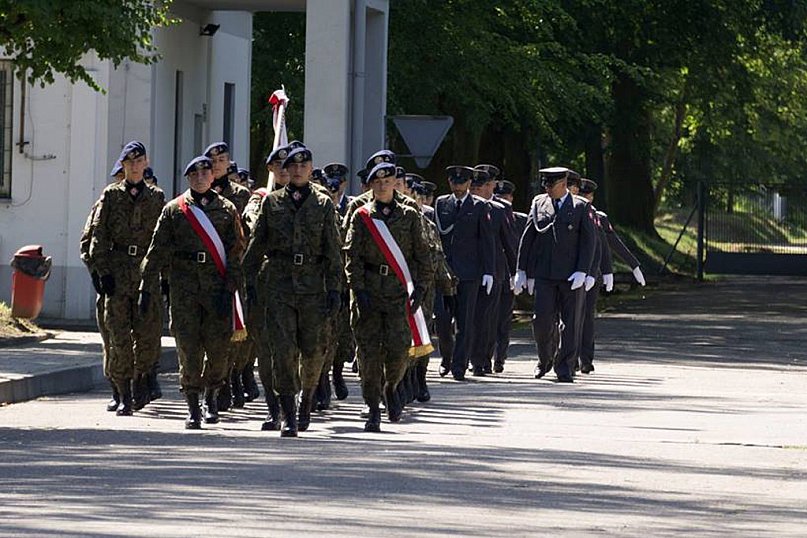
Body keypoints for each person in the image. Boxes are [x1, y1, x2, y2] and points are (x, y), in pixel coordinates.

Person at [242, 145, 343, 437]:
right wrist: (248, 282)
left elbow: (334, 251)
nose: (298, 170)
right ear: (286, 170)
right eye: (292, 166)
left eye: (304, 165)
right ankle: (288, 414)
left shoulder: (324, 205)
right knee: (283, 352)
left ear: (311, 169)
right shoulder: (272, 203)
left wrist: (335, 289)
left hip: (313, 286)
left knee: (312, 352)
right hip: (279, 285)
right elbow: (256, 245)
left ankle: (307, 399)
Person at [139, 155, 245, 428]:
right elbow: (157, 249)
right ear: (188, 178)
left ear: (213, 177)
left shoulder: (227, 209)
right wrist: (146, 288)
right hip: (184, 288)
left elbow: (236, 251)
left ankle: (212, 395)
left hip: (216, 288)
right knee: (188, 348)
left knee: (219, 349)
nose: (200, 178)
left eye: (205, 173)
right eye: (194, 174)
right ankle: (193, 406)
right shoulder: (174, 210)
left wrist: (231, 287)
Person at [344, 162, 434, 431]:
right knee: (369, 355)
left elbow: (422, 254)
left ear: (395, 183)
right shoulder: (362, 217)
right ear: (371, 185)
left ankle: (391, 386)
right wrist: (358, 289)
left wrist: (420, 288)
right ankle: (373, 407)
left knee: (397, 352)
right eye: (377, 181)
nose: (382, 185)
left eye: (387, 181)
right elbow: (353, 256)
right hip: (369, 293)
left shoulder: (409, 215)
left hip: (397, 294)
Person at [89, 141, 165, 415]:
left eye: (139, 161)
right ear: (123, 165)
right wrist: (103, 271)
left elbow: (163, 240)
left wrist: (162, 276)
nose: (134, 166)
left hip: (146, 275)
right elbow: (98, 236)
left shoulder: (157, 197)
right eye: (129, 162)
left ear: (145, 164)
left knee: (147, 337)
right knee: (119, 336)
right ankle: (123, 394)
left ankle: (142, 382)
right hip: (118, 272)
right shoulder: (111, 196)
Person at [515, 167, 597, 382]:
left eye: (551, 185)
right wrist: (521, 270)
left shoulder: (581, 206)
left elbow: (590, 242)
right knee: (541, 321)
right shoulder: (538, 204)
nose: (547, 189)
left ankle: (565, 366)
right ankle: (544, 359)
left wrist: (583, 270)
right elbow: (528, 238)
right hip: (545, 274)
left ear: (563, 184)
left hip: (571, 275)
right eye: (545, 185)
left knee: (571, 324)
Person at [204, 143, 255, 410]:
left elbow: (249, 233)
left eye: (222, 159)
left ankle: (231, 376)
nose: (217, 164)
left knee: (235, 332)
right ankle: (214, 386)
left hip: (234, 271)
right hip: (203, 274)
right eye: (213, 160)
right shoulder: (198, 193)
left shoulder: (241, 195)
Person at [431, 165, 495, 381]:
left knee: (465, 322)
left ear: (469, 183)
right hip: (444, 272)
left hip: (469, 272)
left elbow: (487, 240)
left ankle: (460, 365)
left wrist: (488, 271)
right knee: (442, 319)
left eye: (462, 182)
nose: (457, 186)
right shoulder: (441, 203)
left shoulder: (479, 206)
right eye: (454, 182)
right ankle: (447, 358)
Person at [80, 162, 124, 411]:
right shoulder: (104, 206)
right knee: (112, 339)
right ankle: (117, 387)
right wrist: (98, 275)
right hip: (110, 282)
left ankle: (137, 382)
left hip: (137, 282)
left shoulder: (151, 203)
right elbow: (87, 243)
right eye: (120, 175)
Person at [468, 166, 516, 375]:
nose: (488, 189)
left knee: (487, 318)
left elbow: (509, 242)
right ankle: (467, 356)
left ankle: (482, 359)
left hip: (494, 271)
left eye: (488, 185)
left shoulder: (499, 209)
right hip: (468, 269)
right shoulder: (464, 206)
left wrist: (516, 273)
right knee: (466, 317)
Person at [492, 179, 527, 372]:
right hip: (494, 272)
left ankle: (500, 357)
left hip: (510, 275)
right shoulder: (490, 214)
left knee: (504, 319)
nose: (502, 201)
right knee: (488, 318)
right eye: (499, 197)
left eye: (505, 197)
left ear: (511, 198)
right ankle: (485, 355)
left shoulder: (520, 219)